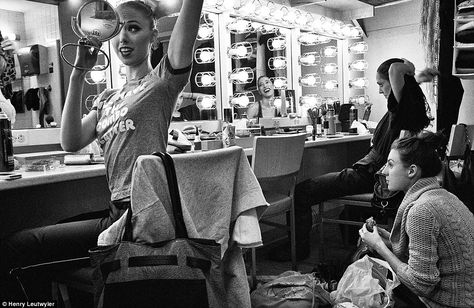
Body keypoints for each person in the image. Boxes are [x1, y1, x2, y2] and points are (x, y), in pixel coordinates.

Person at [0, 0, 203, 299]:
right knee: (47, 236)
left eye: (134, 28)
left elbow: (190, 17)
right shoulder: (107, 97)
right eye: (119, 29)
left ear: (153, 35)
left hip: (140, 219)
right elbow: (70, 142)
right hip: (116, 213)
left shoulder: (160, 83)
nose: (124, 38)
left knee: (15, 246)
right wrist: (78, 74)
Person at [270, 58, 438, 261]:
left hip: (370, 176)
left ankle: (298, 250)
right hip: (375, 174)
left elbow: (395, 69)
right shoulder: (408, 107)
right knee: (322, 185)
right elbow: (397, 74)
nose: (380, 90)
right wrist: (415, 78)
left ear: (394, 83)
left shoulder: (399, 107)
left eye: (381, 84)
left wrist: (411, 71)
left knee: (301, 191)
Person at [359, 131, 474, 307]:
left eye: (390, 164)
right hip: (465, 296)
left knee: (368, 265)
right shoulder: (443, 196)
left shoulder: (421, 211)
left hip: (452, 303)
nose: (383, 171)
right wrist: (389, 240)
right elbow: (430, 253)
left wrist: (378, 246)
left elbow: (421, 285)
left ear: (412, 170)